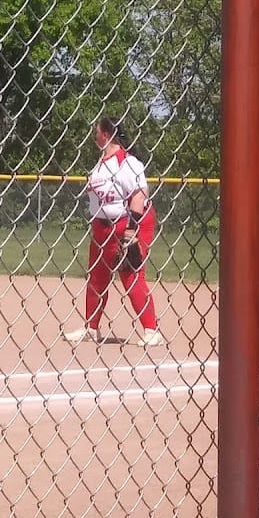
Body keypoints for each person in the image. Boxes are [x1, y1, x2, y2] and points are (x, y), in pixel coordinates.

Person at [65, 117, 164, 347]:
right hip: (102, 226)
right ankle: (92, 327)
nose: (94, 136)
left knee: (130, 274)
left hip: (128, 223)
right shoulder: (101, 164)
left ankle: (151, 330)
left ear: (107, 135)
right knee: (97, 276)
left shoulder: (127, 162)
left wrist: (131, 232)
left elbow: (139, 196)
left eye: (97, 132)